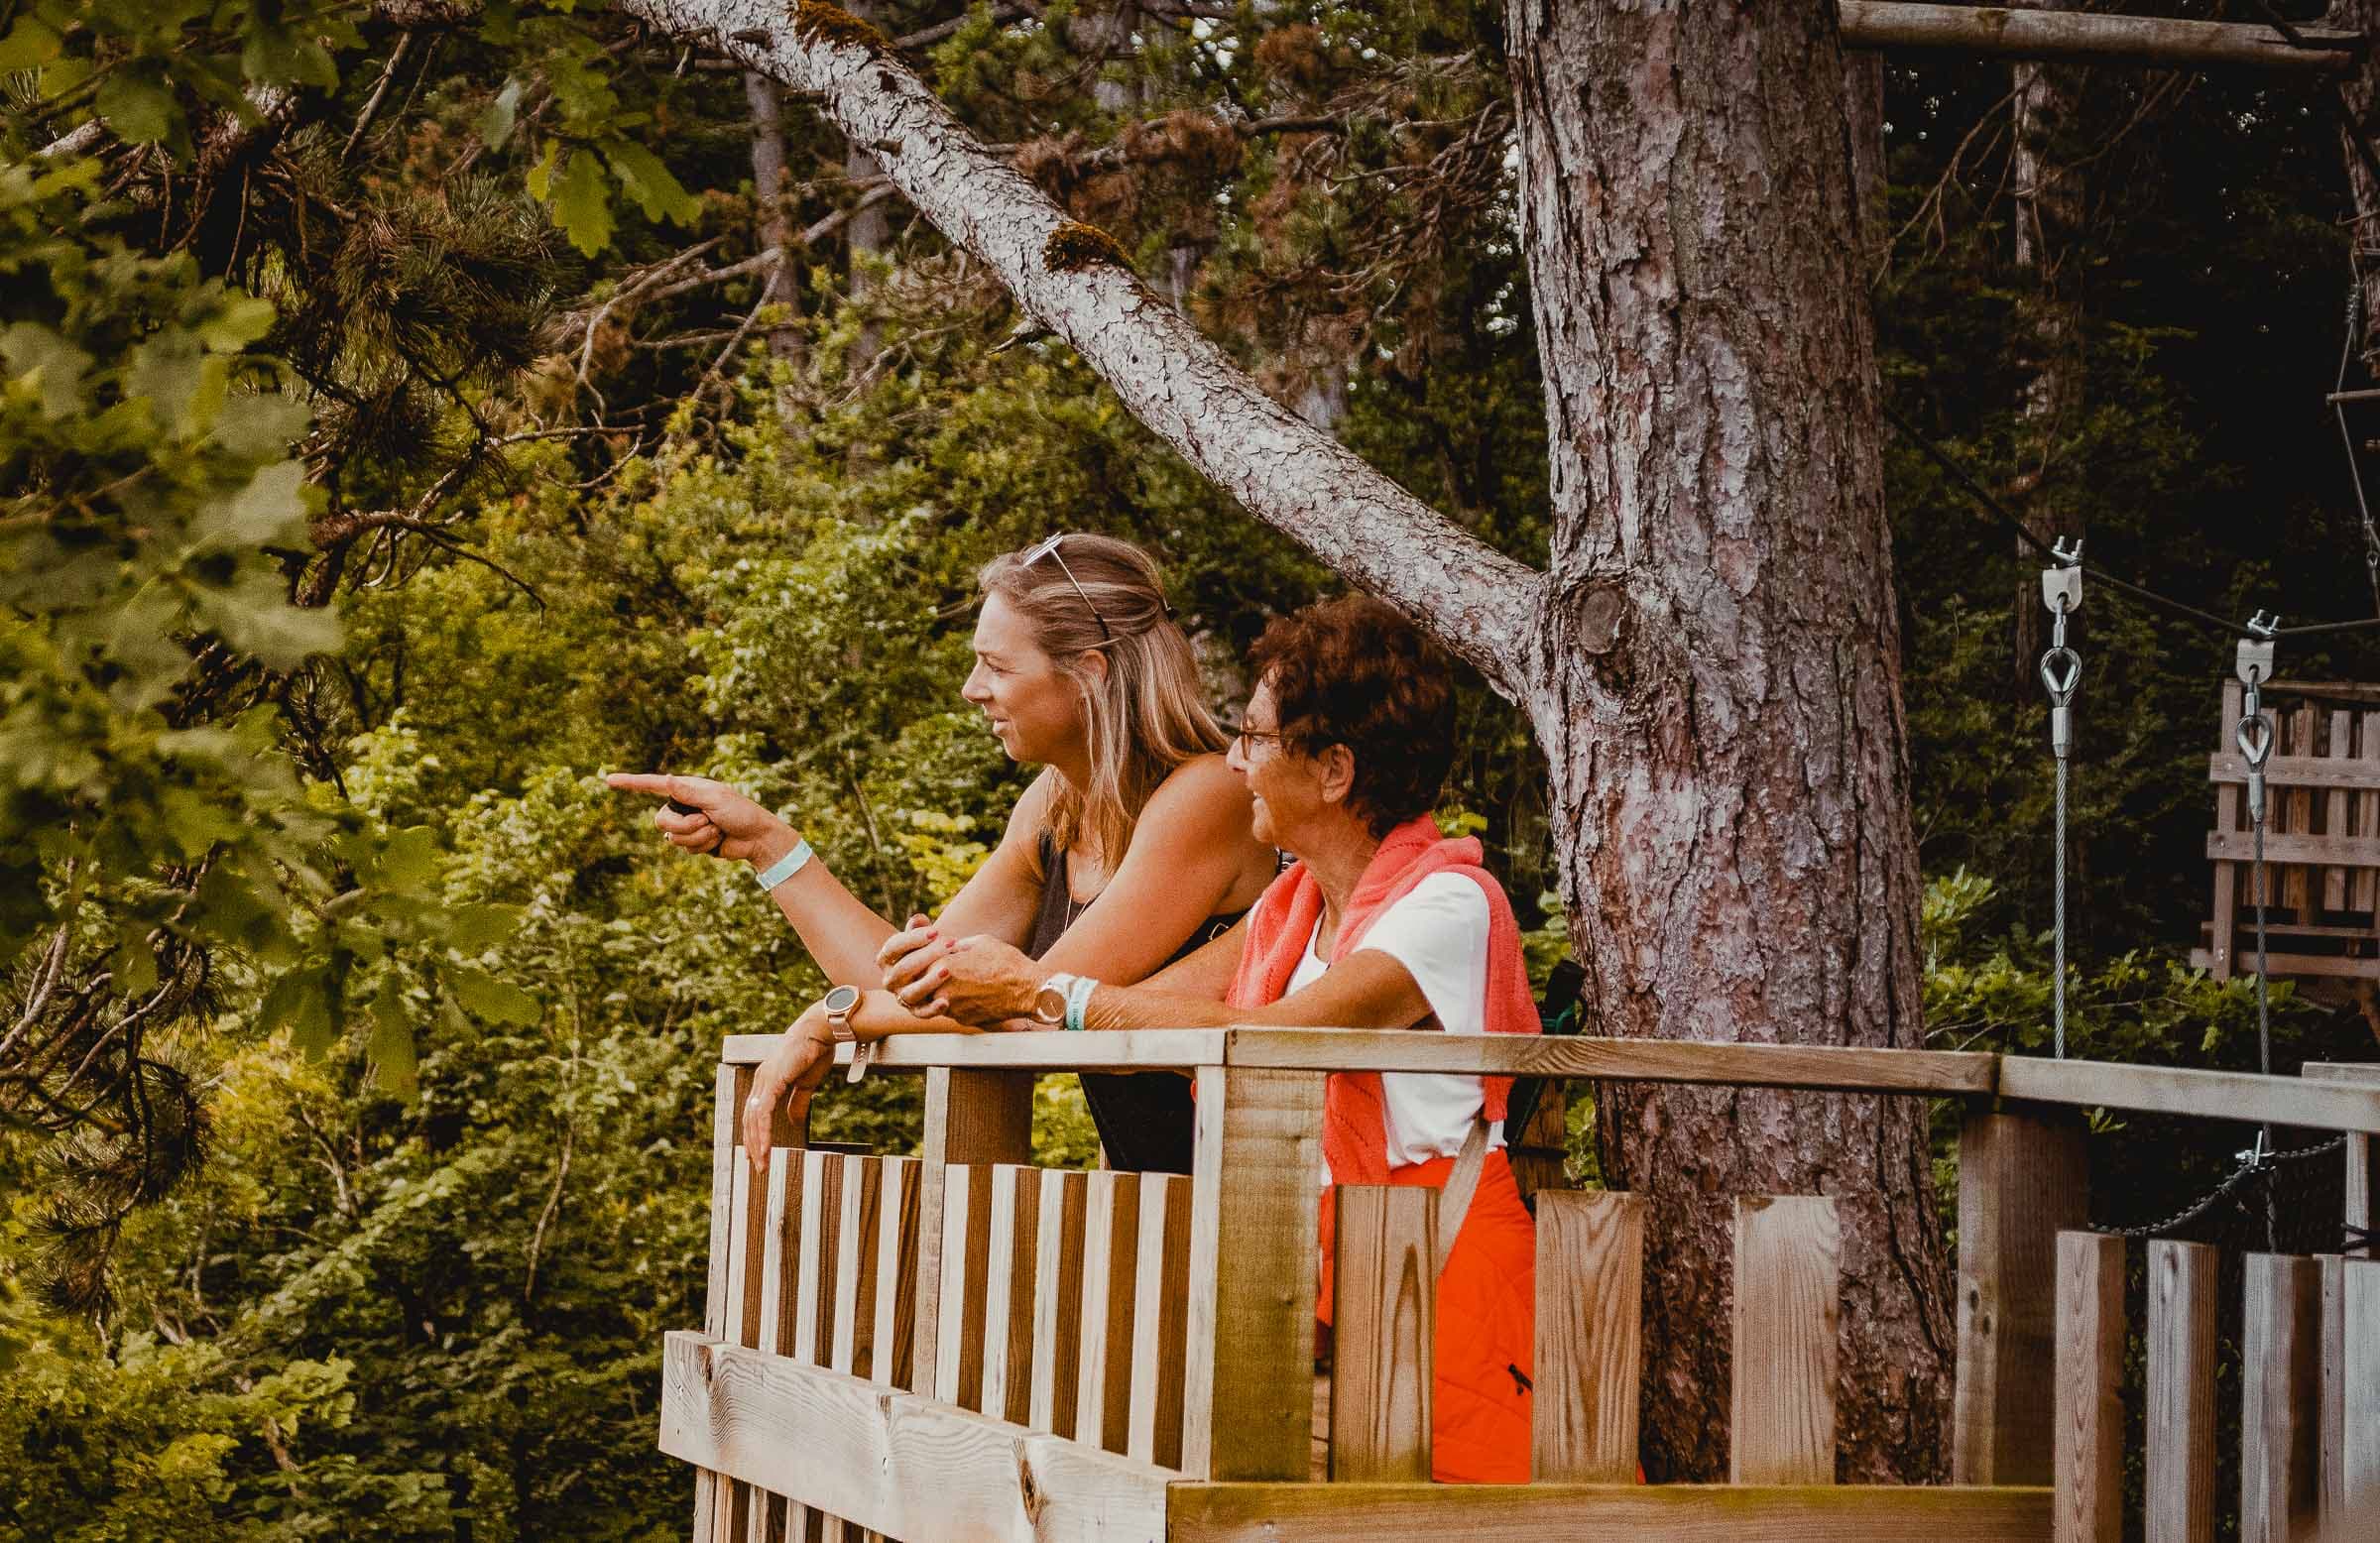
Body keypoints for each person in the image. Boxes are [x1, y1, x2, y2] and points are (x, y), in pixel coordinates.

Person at [843, 594, 1541, 1484]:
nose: (1235, 762)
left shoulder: (1447, 906)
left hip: (1440, 1273)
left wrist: (1040, 989)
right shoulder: (1286, 918)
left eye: (1253, 738)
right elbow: (1128, 1009)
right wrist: (845, 1015)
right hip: (1317, 1281)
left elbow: (1282, 1035)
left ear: (1333, 771)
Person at [608, 533, 1277, 1172]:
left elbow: (1028, 1005)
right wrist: (768, 845)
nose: (971, 687)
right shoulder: (1053, 806)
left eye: (996, 664)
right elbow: (903, 985)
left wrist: (830, 1019)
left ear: (1089, 673)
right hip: (1166, 1205)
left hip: (1269, 1205)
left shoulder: (1211, 794)